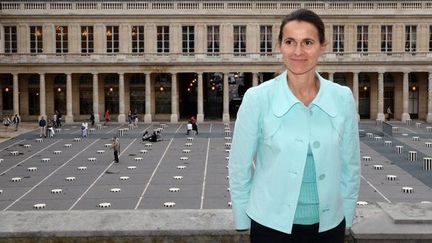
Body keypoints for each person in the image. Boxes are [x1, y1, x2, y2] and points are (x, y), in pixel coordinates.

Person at [228, 9, 360, 243]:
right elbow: (239, 166)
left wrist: (347, 214)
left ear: (323, 45)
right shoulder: (257, 98)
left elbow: (351, 164)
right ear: (279, 45)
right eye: (290, 42)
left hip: (329, 226)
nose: (298, 51)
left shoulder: (342, 97)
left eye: (308, 42)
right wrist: (242, 218)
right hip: (270, 226)